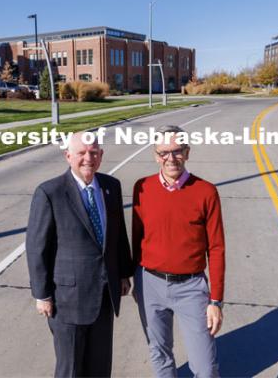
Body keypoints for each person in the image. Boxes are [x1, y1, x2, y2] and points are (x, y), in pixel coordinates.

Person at [26, 132, 133, 377]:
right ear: (68, 156)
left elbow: (118, 234)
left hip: (105, 295)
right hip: (67, 300)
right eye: (82, 153)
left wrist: (123, 274)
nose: (88, 158)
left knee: (100, 365)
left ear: (101, 156)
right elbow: (36, 247)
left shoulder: (110, 186)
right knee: (71, 368)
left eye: (94, 153)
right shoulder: (50, 192)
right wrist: (42, 294)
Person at [132, 125, 225, 378]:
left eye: (177, 151)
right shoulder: (142, 187)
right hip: (149, 283)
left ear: (187, 151)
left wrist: (215, 300)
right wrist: (135, 280)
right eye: (164, 152)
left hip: (191, 287)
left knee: (205, 367)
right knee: (160, 354)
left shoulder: (206, 191)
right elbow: (137, 238)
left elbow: (216, 248)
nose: (170, 158)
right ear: (155, 155)